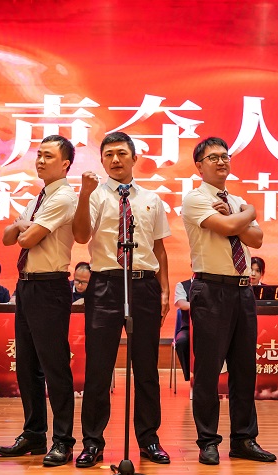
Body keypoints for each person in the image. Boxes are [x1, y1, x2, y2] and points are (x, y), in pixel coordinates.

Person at [73, 131, 171, 468]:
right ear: (102, 161)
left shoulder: (152, 199)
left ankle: (149, 439)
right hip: (105, 285)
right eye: (108, 154)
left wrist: (164, 289)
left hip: (144, 285)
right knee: (98, 369)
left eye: (121, 153)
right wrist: (84, 195)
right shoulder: (95, 195)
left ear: (134, 158)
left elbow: (159, 248)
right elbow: (81, 236)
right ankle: (92, 442)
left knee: (146, 367)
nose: (115, 159)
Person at [182, 137, 276, 466]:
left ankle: (244, 439)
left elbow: (256, 239)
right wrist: (248, 212)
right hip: (210, 289)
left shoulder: (234, 200)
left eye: (225, 156)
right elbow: (227, 226)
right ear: (199, 165)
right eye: (213, 158)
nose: (221, 162)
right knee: (208, 370)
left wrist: (239, 214)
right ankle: (208, 441)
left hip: (242, 290)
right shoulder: (195, 198)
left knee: (244, 369)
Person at [0, 135, 78, 467]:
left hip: (50, 287)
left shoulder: (65, 197)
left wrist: (22, 228)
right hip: (26, 286)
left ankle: (63, 440)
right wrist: (20, 224)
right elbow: (7, 237)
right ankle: (33, 434)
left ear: (66, 164)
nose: (40, 161)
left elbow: (26, 238)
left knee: (54, 366)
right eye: (39, 155)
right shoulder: (37, 199)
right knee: (27, 365)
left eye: (48, 156)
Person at [173, 277, 192, 381]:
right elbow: (182, 304)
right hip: (188, 327)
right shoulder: (182, 285)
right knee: (182, 342)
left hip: (210, 327)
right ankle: (189, 375)